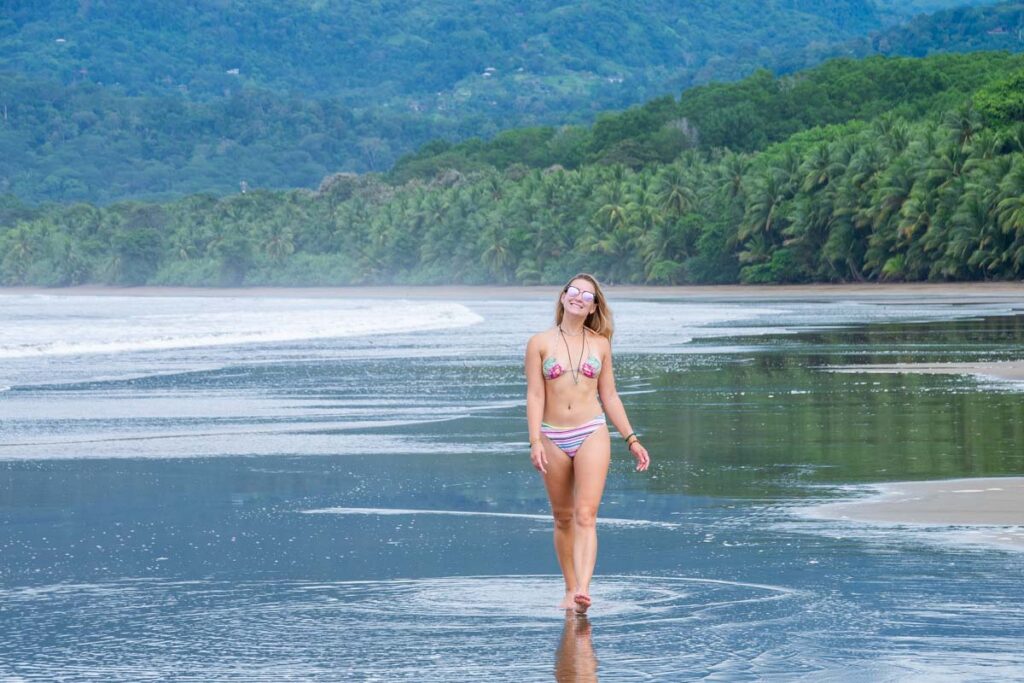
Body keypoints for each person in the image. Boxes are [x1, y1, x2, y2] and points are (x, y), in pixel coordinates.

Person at [525, 273, 650, 614]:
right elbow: (535, 395)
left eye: (587, 295)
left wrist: (631, 439)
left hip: (591, 430)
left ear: (594, 306)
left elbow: (609, 395)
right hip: (552, 434)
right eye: (574, 291)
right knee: (563, 516)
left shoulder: (601, 345)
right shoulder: (539, 343)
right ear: (563, 296)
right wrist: (535, 439)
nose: (579, 297)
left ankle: (583, 589)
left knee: (586, 514)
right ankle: (569, 587)